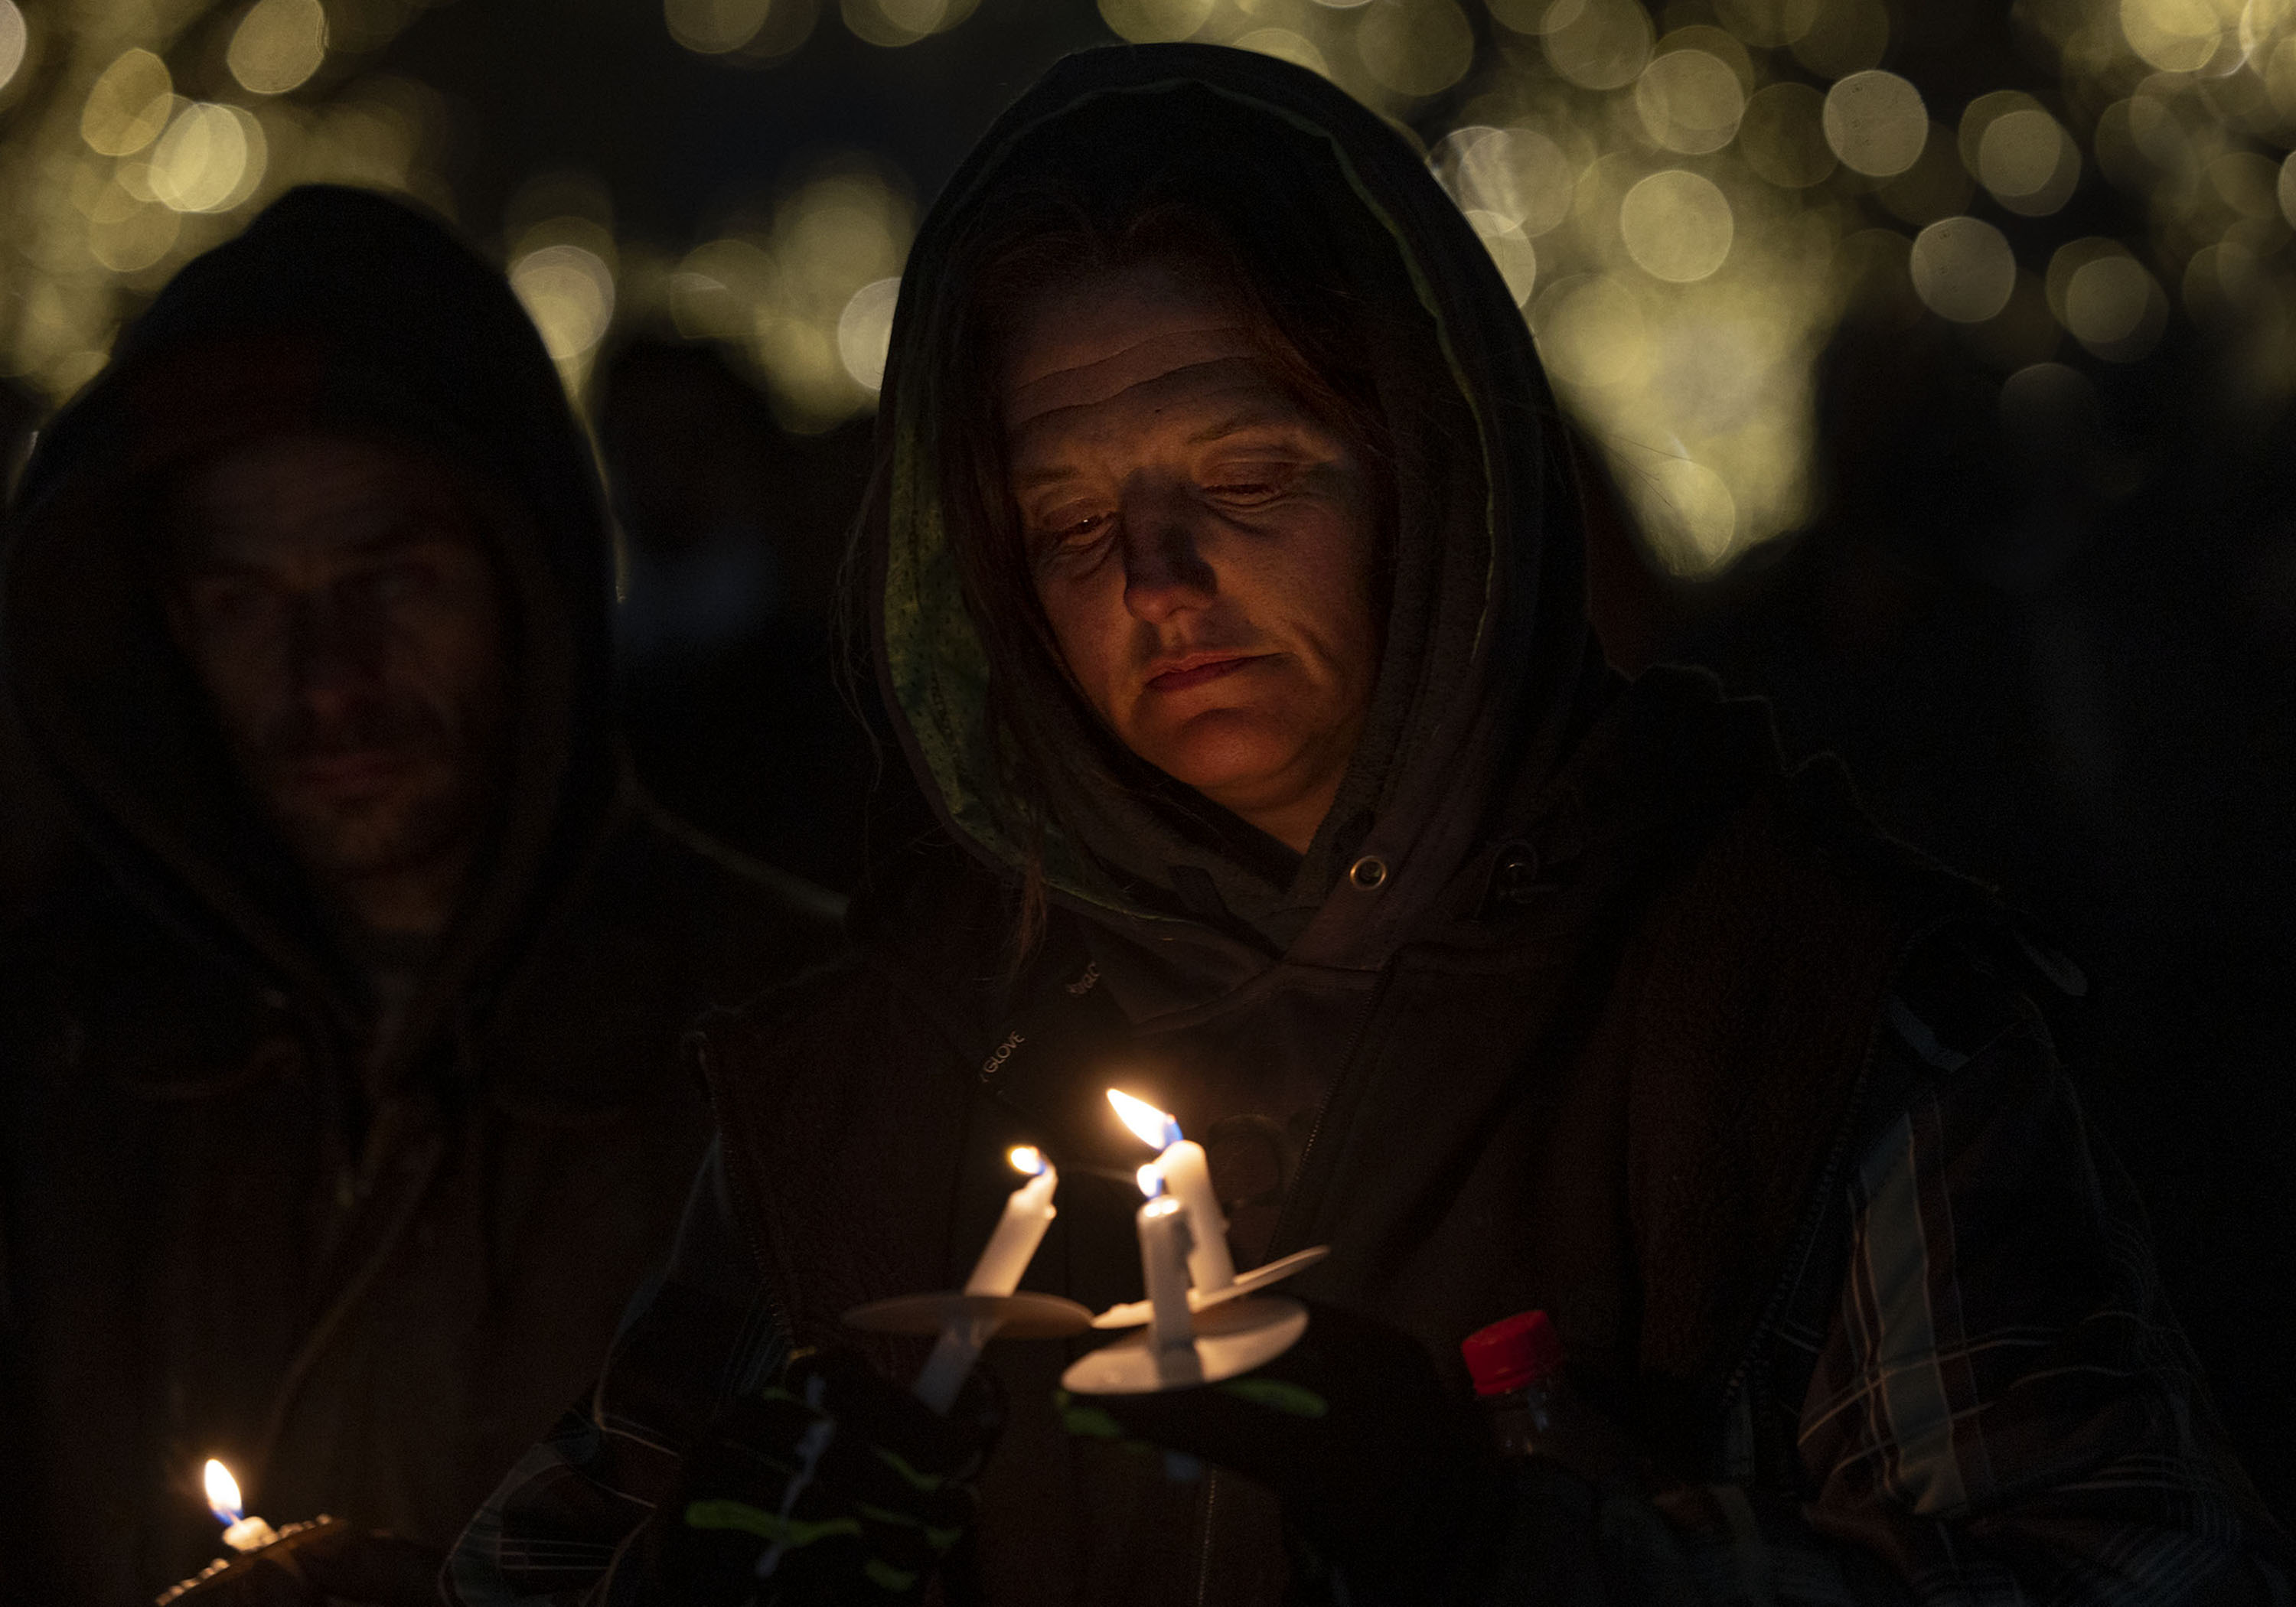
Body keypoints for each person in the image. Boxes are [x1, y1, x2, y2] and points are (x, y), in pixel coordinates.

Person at [444, 46, 2284, 1607]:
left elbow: (2124, 1574)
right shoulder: (881, 1067)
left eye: (1245, 475)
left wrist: (1522, 1547)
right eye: (1072, 526)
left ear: (1438, 471)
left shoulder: (1791, 1004)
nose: (1159, 583)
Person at [0, 186, 843, 1606]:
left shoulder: (795, 1051)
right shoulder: (59, 1059)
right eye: (244, 602)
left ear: (533, 583)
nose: (328, 676)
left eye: (394, 578)